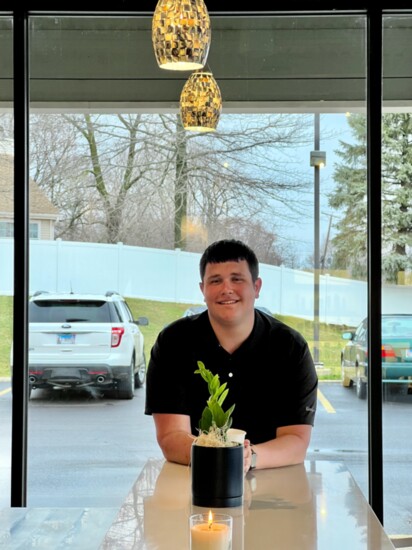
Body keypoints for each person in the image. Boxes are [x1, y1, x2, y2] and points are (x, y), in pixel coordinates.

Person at [145, 239, 318, 472]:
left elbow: (296, 441)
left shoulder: (290, 347)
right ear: (202, 290)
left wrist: (247, 458)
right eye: (215, 281)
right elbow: (171, 437)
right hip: (194, 478)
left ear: (256, 287)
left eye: (237, 279)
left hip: (273, 479)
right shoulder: (173, 343)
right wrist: (220, 457)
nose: (227, 289)